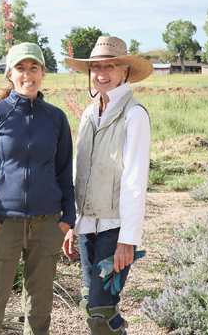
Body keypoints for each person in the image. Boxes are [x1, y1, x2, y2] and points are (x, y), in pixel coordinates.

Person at [0, 42, 76, 335]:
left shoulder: (56, 118)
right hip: (4, 224)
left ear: (43, 72)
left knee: (40, 308)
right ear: (10, 74)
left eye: (34, 68)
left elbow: (65, 172)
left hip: (47, 223)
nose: (27, 75)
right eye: (20, 68)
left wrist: (67, 220)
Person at [62, 36, 153, 335]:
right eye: (95, 67)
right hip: (88, 225)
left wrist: (128, 238)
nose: (101, 73)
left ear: (124, 70)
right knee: (92, 306)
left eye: (110, 66)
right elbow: (80, 170)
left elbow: (135, 180)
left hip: (115, 227)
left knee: (101, 313)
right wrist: (74, 222)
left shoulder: (134, 115)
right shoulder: (89, 113)